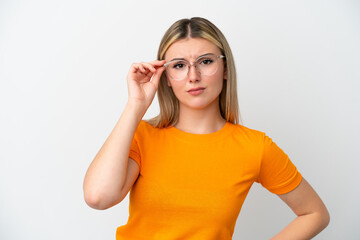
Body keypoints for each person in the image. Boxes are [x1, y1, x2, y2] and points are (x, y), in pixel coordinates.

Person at [83, 17, 330, 239]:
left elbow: (314, 213)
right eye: (179, 65)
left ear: (224, 69)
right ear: (166, 77)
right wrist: (135, 106)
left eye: (206, 61)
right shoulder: (142, 136)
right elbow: (98, 197)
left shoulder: (255, 147)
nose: (193, 76)